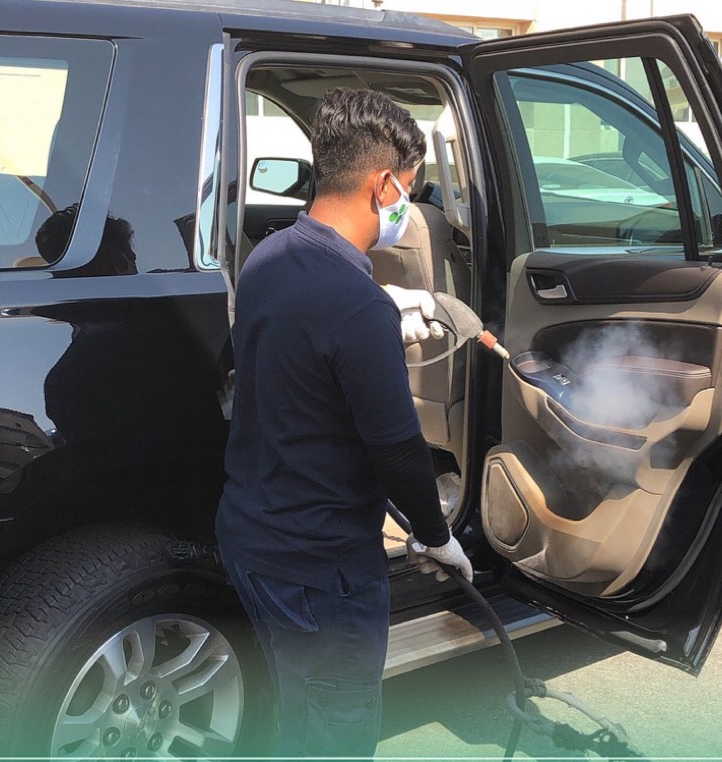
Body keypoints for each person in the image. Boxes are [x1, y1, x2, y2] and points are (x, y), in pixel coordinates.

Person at [214, 87, 473, 758]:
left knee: (294, 708)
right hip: (320, 569)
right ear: (384, 184)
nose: (408, 205)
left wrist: (378, 310)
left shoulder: (270, 257)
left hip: (251, 535)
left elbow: (301, 346)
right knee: (334, 731)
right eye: (410, 189)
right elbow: (398, 449)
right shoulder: (357, 307)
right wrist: (435, 534)